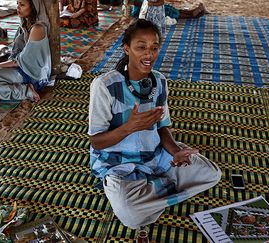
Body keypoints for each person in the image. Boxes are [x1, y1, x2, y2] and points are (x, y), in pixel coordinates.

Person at [88, 19, 221, 231]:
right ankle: (158, 186)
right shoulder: (105, 85)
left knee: (211, 173)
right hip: (118, 163)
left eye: (154, 47)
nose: (149, 54)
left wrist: (176, 151)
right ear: (126, 49)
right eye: (141, 47)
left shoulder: (159, 81)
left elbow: (163, 127)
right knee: (131, 217)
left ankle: (150, 190)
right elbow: (97, 142)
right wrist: (129, 127)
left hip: (154, 155)